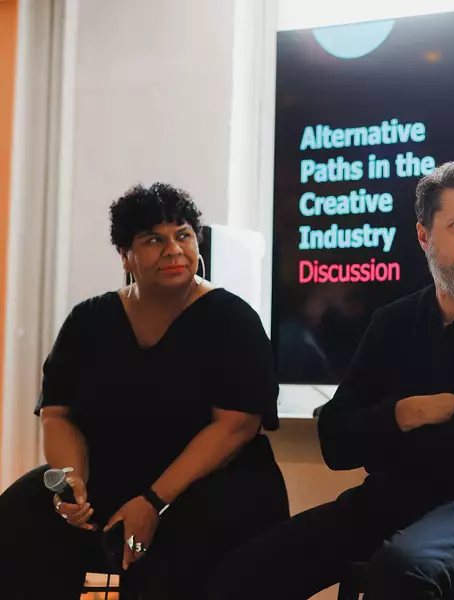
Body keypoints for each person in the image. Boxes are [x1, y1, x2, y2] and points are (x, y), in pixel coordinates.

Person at [211, 161, 454, 599]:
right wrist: (406, 411)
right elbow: (335, 442)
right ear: (424, 237)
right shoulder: (394, 321)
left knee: (402, 567)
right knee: (240, 574)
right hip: (391, 497)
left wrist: (383, 436)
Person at [0, 183, 289, 600]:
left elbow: (235, 428)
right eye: (154, 239)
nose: (173, 249)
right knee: (20, 518)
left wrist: (153, 502)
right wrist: (70, 483)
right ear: (125, 255)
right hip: (110, 476)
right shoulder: (88, 321)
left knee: (173, 552)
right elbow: (58, 414)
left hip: (210, 483)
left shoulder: (233, 320)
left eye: (183, 235)